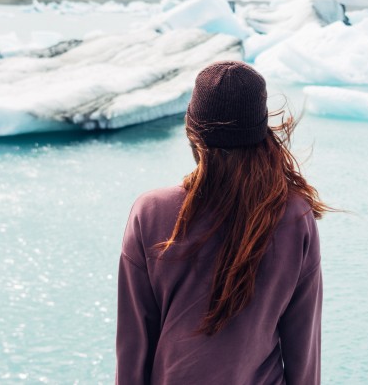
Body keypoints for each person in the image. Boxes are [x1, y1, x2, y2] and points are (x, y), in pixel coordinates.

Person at [116, 61, 328, 384]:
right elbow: (304, 356)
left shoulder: (150, 214)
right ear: (261, 136)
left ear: (192, 136)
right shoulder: (293, 218)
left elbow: (133, 351)